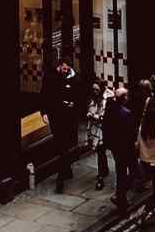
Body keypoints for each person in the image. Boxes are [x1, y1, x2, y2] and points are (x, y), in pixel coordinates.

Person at [41, 60, 86, 194]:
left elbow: (82, 98)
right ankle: (65, 170)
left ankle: (62, 176)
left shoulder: (77, 80)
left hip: (70, 118)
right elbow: (44, 95)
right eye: (63, 69)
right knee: (61, 145)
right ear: (59, 66)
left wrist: (74, 106)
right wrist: (43, 112)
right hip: (56, 116)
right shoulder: (51, 77)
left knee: (64, 146)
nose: (64, 71)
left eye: (67, 69)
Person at [102, 86, 136, 211]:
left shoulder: (109, 110)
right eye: (126, 96)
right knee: (127, 172)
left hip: (115, 147)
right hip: (125, 147)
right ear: (124, 98)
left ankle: (120, 195)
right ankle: (120, 196)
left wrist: (108, 144)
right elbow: (130, 133)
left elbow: (105, 128)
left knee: (120, 170)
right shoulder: (126, 113)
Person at [86, 80, 109, 190]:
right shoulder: (92, 98)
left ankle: (102, 174)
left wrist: (93, 116)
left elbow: (104, 116)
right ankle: (103, 171)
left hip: (104, 129)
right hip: (95, 129)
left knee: (102, 149)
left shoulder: (106, 100)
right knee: (100, 151)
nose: (94, 91)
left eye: (97, 89)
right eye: (93, 89)